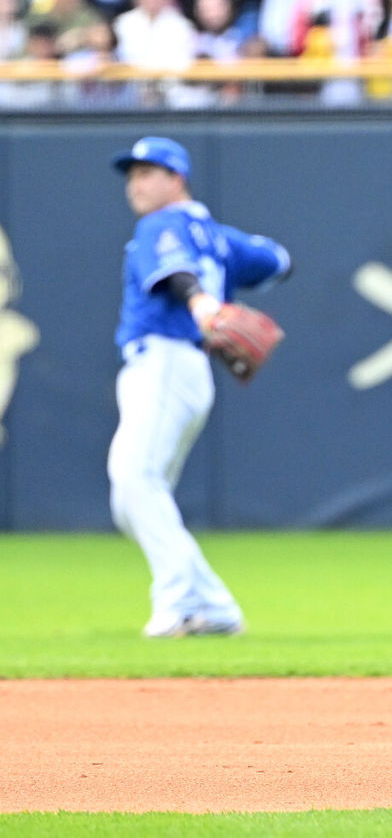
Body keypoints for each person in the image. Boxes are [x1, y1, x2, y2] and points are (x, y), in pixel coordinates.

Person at [108, 136, 291, 639]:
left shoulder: (161, 225)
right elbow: (278, 261)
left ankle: (175, 606)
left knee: (134, 481)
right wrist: (224, 254)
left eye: (148, 173)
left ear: (177, 179)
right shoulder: (215, 235)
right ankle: (215, 605)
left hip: (165, 360)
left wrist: (203, 306)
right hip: (181, 371)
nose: (136, 184)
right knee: (136, 498)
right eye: (132, 175)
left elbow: (179, 275)